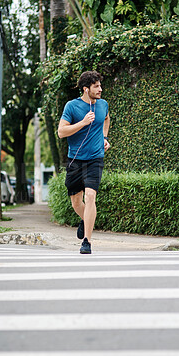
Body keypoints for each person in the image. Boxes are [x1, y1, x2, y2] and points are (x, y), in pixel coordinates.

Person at [58, 71, 110, 254]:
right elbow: (61, 132)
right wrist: (82, 123)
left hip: (95, 159)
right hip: (75, 160)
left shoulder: (103, 105)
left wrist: (104, 137)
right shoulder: (72, 106)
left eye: (100, 86)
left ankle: (87, 241)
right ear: (86, 89)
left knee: (90, 196)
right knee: (76, 202)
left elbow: (106, 119)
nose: (100, 89)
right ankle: (85, 219)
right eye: (96, 86)